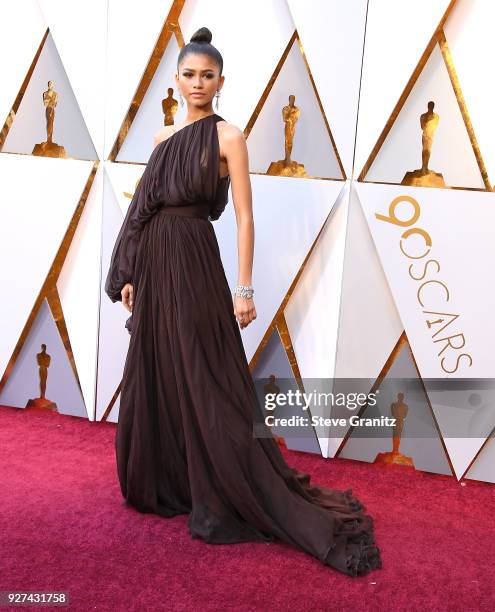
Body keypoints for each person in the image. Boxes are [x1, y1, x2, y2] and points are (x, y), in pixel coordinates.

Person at [105, 26, 382, 577]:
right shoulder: (161, 141)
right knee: (159, 369)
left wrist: (246, 287)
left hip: (195, 260)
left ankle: (226, 487)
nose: (197, 83)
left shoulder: (229, 136)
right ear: (176, 79)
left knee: (206, 377)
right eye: (189, 74)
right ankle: (170, 480)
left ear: (221, 81)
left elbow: (246, 216)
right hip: (157, 264)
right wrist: (130, 269)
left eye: (208, 75)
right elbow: (142, 208)